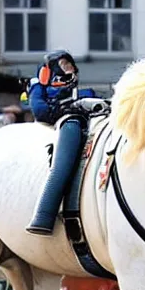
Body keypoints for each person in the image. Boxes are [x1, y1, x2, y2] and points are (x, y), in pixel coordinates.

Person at [26, 50, 98, 235]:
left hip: (82, 120)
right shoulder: (38, 86)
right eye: (64, 65)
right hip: (60, 124)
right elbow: (40, 111)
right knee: (69, 139)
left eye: (70, 65)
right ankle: (45, 214)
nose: (69, 69)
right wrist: (68, 108)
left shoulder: (82, 91)